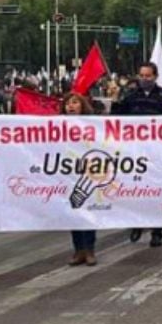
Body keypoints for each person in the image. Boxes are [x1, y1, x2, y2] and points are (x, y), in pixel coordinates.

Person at [113, 61, 162, 247]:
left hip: (158, 153)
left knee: (158, 191)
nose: (144, 79)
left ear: (155, 77)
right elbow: (117, 119)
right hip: (135, 153)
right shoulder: (130, 96)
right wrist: (116, 101)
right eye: (142, 76)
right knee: (136, 190)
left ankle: (157, 231)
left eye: (148, 76)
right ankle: (137, 223)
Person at [62, 92, 99, 266]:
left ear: (82, 105)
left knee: (88, 211)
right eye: (68, 103)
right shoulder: (57, 125)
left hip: (88, 172)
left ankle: (90, 249)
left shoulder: (93, 124)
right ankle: (78, 250)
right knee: (73, 211)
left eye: (75, 102)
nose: (71, 106)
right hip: (68, 172)